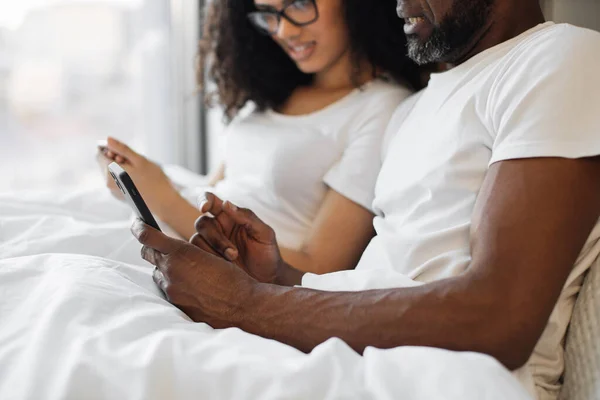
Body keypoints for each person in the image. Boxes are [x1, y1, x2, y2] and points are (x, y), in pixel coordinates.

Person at [131, 0, 600, 399]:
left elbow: (499, 316)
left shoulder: (563, 58)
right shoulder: (416, 109)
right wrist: (279, 277)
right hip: (362, 358)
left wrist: (245, 304)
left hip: (438, 380)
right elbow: (396, 276)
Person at [96, 0, 421, 275]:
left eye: (299, 3)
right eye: (268, 12)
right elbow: (214, 194)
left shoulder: (382, 107)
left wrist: (163, 199)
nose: (284, 31)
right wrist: (143, 184)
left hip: (212, 265)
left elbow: (319, 268)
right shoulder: (276, 93)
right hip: (176, 242)